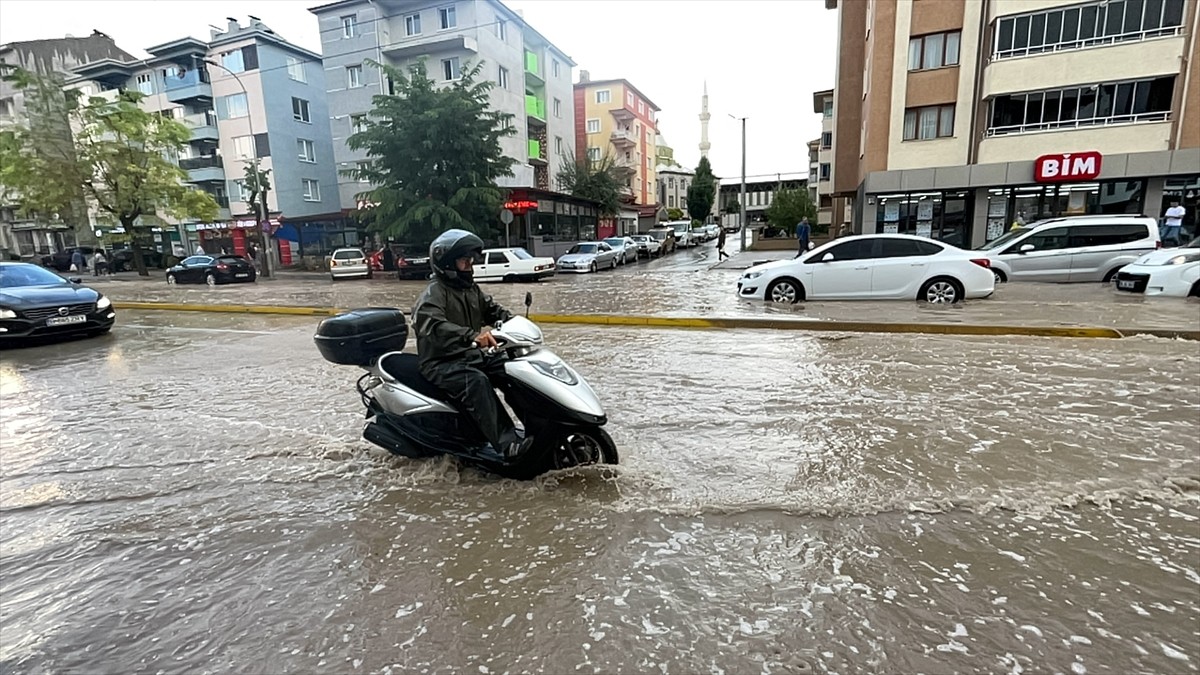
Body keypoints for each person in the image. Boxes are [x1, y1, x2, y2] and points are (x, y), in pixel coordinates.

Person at [412, 229, 533, 459]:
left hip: (469, 355)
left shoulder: (470, 290)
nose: (469, 266)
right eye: (464, 262)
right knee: (476, 382)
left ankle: (536, 426)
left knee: (511, 370)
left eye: (470, 262)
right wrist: (472, 336)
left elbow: (492, 310)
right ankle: (507, 445)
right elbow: (434, 326)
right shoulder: (433, 294)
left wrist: (514, 323)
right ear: (447, 263)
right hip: (441, 363)